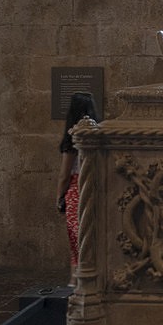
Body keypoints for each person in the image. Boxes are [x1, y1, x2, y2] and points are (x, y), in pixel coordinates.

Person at [56, 92, 99, 287]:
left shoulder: (72, 140)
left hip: (76, 191)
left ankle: (76, 282)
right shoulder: (98, 136)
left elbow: (64, 175)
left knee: (77, 241)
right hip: (95, 189)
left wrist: (59, 197)